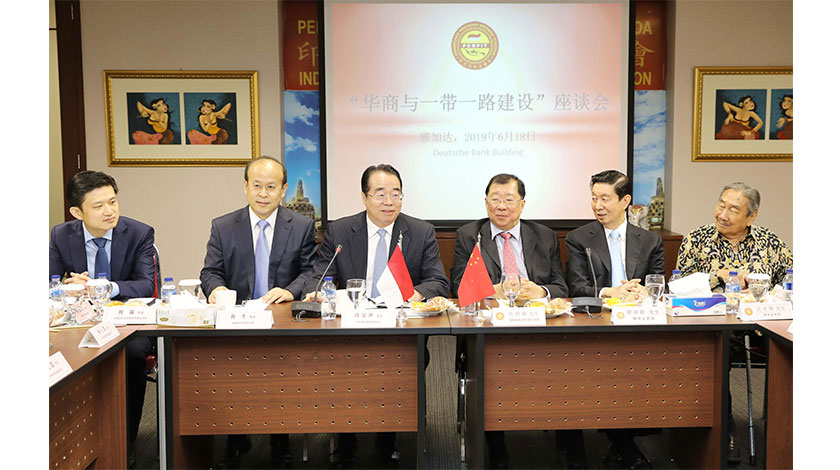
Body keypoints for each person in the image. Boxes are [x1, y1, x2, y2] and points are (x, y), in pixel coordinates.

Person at [303, 163, 450, 468]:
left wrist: (415, 294)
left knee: (399, 364)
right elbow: (319, 275)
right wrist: (318, 291)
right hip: (351, 328)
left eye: (396, 194)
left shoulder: (420, 231)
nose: (389, 202)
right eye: (380, 194)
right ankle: (345, 441)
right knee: (341, 364)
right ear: (364, 197)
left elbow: (438, 280)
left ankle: (388, 439)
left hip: (399, 329)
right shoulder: (341, 231)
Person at [200, 156, 318, 468]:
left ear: (284, 190)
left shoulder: (302, 226)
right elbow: (210, 272)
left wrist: (290, 291)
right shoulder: (224, 226)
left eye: (271, 187)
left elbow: (310, 271)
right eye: (256, 186)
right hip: (237, 318)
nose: (263, 194)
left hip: (283, 319)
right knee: (230, 370)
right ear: (245, 187)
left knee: (283, 368)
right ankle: (235, 436)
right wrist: (217, 290)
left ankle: (281, 438)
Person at [448, 173, 568, 469]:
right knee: (492, 373)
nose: (501, 206)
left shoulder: (544, 236)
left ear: (522, 204)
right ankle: (496, 445)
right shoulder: (469, 235)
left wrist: (540, 291)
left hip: (538, 324)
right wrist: (497, 290)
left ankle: (569, 443)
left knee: (566, 369)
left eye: (509, 200)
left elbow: (561, 287)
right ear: (485, 202)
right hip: (492, 328)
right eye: (495, 199)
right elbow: (459, 287)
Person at [676, 182, 792, 463]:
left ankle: (786, 435)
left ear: (751, 216)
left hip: (763, 328)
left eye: (733, 209)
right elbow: (677, 286)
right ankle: (723, 432)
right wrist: (716, 276)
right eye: (721, 205)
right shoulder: (697, 239)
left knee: (790, 350)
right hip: (713, 329)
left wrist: (765, 290)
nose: (723, 214)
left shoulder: (770, 242)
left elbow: (791, 279)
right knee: (718, 351)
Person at [49, 170, 157, 468]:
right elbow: (50, 282)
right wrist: (69, 285)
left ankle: (126, 439)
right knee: (59, 353)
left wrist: (105, 287)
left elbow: (146, 284)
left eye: (112, 201)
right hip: (79, 321)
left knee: (132, 354)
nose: (109, 211)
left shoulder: (139, 233)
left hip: (128, 322)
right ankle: (71, 441)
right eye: (98, 206)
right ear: (77, 212)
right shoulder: (60, 235)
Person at [563, 170, 664, 469]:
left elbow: (657, 283)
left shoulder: (650, 241)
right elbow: (576, 287)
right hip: (593, 322)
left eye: (605, 199)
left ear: (625, 201)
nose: (598, 205)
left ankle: (625, 440)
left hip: (636, 324)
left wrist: (642, 292)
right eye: (594, 198)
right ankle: (595, 445)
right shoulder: (579, 238)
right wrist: (611, 292)